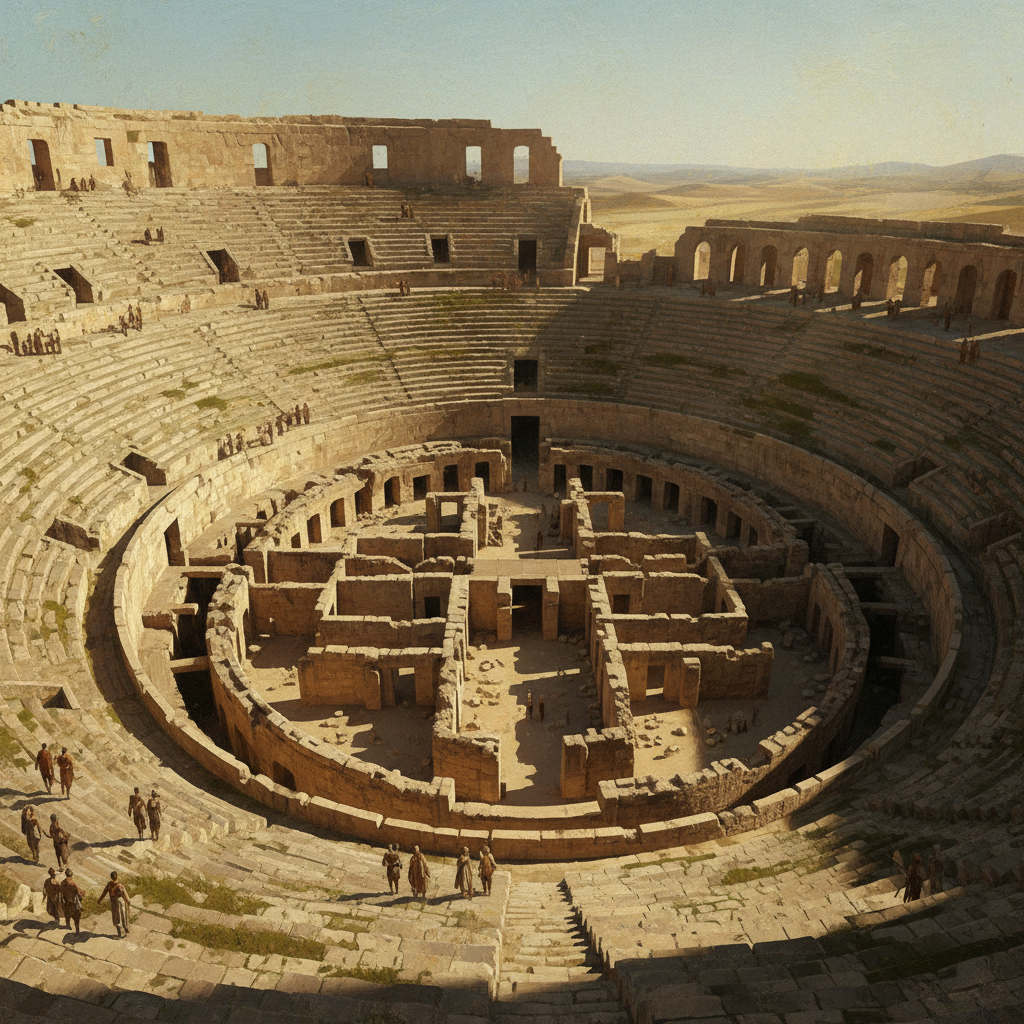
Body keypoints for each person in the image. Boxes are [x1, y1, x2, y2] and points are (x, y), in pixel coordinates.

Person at [98, 871, 132, 937]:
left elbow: (104, 893)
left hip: (114, 903)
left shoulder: (109, 885)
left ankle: (121, 933)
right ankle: (125, 930)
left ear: (111, 877)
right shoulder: (120, 886)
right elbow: (126, 897)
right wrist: (128, 902)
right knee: (123, 916)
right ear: (117, 877)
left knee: (116, 918)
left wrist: (99, 900)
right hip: (120, 902)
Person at [60, 868, 85, 933]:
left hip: (66, 902)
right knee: (76, 916)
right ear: (71, 875)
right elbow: (79, 892)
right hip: (72, 903)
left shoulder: (63, 882)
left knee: (67, 914)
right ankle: (77, 931)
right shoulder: (72, 883)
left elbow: (61, 892)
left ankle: (68, 925)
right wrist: (82, 893)